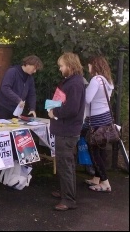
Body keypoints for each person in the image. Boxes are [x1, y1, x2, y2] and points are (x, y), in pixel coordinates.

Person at [48, 52, 85, 211]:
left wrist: (54, 113)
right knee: (65, 164)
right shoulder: (72, 81)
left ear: (70, 66)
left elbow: (71, 109)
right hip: (65, 129)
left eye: (62, 66)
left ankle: (68, 199)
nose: (60, 69)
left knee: (66, 165)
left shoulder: (75, 83)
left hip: (67, 130)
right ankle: (66, 192)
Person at [82, 56, 114, 192]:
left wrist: (82, 90)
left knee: (94, 151)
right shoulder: (108, 81)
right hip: (106, 119)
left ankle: (105, 183)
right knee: (101, 150)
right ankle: (96, 178)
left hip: (96, 121)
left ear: (93, 66)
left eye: (89, 65)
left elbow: (87, 99)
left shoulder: (96, 80)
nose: (88, 68)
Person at [0, 55, 43, 119]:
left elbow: (32, 94)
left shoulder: (30, 78)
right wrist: (18, 100)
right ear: (28, 64)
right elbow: (5, 88)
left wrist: (32, 108)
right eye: (34, 68)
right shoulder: (12, 71)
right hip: (3, 107)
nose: (35, 71)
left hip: (16, 109)